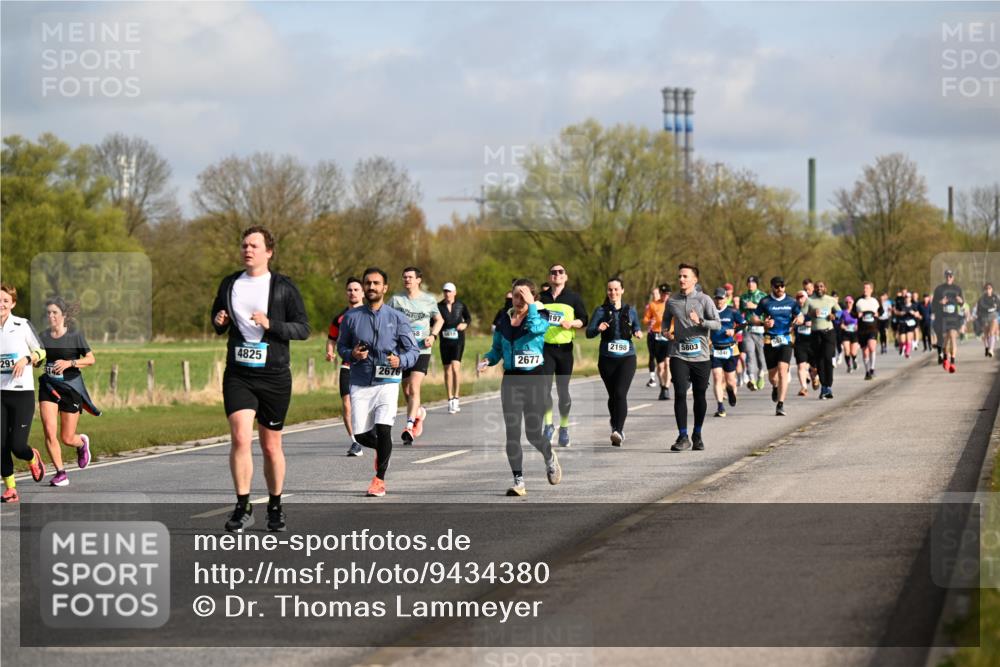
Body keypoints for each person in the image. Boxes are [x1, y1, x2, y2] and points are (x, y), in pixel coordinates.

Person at [212, 226, 311, 532]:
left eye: (254, 245)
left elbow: (303, 329)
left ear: (269, 252)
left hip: (274, 375)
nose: (247, 249)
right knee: (241, 436)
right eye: (244, 245)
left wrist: (272, 324)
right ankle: (242, 506)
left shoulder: (283, 287)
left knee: (271, 446)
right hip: (239, 373)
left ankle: (275, 505)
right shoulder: (230, 283)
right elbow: (218, 317)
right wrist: (219, 320)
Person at [338, 268, 421, 498]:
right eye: (368, 283)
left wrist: (400, 360)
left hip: (388, 381)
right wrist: (352, 354)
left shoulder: (397, 318)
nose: (372, 287)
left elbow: (413, 350)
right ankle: (383, 450)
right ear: (364, 288)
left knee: (384, 430)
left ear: (385, 288)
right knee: (362, 436)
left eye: (376, 283)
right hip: (361, 381)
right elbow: (341, 347)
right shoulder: (351, 318)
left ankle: (379, 480)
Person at [478, 280, 562, 496]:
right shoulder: (504, 321)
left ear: (532, 297)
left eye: (523, 296)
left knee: (533, 434)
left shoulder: (540, 317)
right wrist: (487, 360)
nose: (518, 300)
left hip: (534, 379)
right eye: (516, 295)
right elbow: (496, 349)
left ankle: (549, 456)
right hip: (511, 381)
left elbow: (535, 329)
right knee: (512, 434)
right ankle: (519, 481)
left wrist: (532, 305)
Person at [38, 297, 100, 487]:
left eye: (55, 312)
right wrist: (36, 361)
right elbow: (39, 358)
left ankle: (81, 443)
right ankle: (60, 473)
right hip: (48, 386)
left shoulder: (75, 336)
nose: (51, 316)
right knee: (49, 431)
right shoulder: (43, 336)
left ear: (64, 315)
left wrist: (69, 363)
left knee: (67, 437)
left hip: (70, 388)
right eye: (48, 313)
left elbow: (91, 359)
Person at [662, 264, 720, 451]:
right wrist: (666, 332)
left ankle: (697, 434)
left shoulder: (705, 300)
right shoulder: (672, 301)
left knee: (699, 395)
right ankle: (683, 436)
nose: (681, 279)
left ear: (695, 280)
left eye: (685, 276)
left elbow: (717, 324)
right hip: (679, 353)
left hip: (701, 356)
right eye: (680, 276)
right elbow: (665, 321)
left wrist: (701, 321)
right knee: (680, 392)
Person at [1, 284, 47, 503]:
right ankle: (10, 489)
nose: (1, 305)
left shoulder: (22, 325)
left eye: (5, 301)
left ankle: (31, 457)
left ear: (13, 303)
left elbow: (42, 351)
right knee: (0, 445)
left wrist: (26, 359)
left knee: (17, 446)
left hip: (21, 394)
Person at [389, 267, 443, 443]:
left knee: (413, 386)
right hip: (402, 351)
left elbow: (439, 319)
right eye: (404, 277)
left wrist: (433, 335)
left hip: (421, 350)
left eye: (410, 277)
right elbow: (383, 317)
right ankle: (418, 412)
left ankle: (409, 426)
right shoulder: (396, 300)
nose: (407, 280)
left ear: (418, 280)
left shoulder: (428, 300)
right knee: (405, 389)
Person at [587, 277, 642, 446]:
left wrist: (638, 332)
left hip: (627, 358)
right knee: (612, 396)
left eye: (616, 289)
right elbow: (589, 333)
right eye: (610, 289)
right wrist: (598, 328)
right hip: (606, 359)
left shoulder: (630, 310)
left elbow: (636, 326)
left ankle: (618, 430)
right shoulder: (600, 311)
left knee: (620, 394)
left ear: (622, 291)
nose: (613, 292)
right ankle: (615, 426)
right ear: (607, 292)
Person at [539, 263, 588, 447]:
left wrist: (572, 323)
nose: (557, 275)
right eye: (553, 272)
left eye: (560, 272)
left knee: (563, 392)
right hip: (546, 349)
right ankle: (549, 425)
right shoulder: (541, 298)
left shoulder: (573, 297)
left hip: (565, 350)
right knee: (544, 389)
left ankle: (564, 427)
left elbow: (584, 319)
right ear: (549, 277)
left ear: (565, 277)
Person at [750, 276, 804, 416]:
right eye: (777, 286)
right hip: (770, 340)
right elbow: (754, 318)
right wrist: (763, 323)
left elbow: (801, 316)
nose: (780, 289)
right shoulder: (765, 301)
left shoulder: (791, 301)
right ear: (772, 287)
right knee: (773, 377)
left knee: (782, 370)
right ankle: (775, 387)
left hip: (786, 339)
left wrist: (798, 320)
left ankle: (780, 404)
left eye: (782, 286)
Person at [326, 277, 365, 457]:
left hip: (367, 367)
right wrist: (330, 351)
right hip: (347, 365)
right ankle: (355, 442)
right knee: (347, 405)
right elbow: (332, 338)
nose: (353, 293)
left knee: (366, 405)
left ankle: (370, 434)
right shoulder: (340, 318)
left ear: (363, 292)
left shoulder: (371, 314)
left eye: (356, 289)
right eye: (349, 290)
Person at [438, 282, 473, 414]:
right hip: (445, 341)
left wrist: (464, 324)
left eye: (449, 291)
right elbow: (432, 321)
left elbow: (468, 318)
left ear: (454, 292)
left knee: (455, 368)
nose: (447, 293)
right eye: (445, 291)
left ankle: (457, 398)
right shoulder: (438, 306)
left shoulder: (461, 305)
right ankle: (450, 399)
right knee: (447, 370)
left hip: (458, 340)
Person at [709, 287, 743, 418]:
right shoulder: (709, 312)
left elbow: (744, 324)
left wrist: (734, 331)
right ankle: (720, 406)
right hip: (715, 349)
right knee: (717, 377)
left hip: (730, 349)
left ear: (726, 298)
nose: (719, 301)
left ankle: (730, 391)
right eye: (717, 298)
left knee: (730, 381)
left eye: (721, 298)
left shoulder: (732, 311)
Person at [807, 281, 841, 399]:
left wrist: (834, 316)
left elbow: (840, 312)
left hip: (829, 332)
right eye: (816, 287)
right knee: (819, 361)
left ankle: (829, 386)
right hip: (816, 334)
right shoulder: (809, 300)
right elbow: (802, 314)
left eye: (821, 286)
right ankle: (824, 387)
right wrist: (811, 313)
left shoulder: (831, 299)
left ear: (825, 288)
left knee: (827, 358)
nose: (819, 289)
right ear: (814, 289)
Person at [643, 284, 672, 399]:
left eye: (667, 294)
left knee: (667, 363)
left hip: (669, 336)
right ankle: (662, 386)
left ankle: (666, 389)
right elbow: (645, 319)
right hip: (657, 337)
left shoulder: (673, 305)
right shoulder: (653, 305)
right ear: (660, 293)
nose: (665, 296)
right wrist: (650, 321)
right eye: (663, 294)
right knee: (660, 367)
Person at [739, 276, 768, 391]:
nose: (751, 285)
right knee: (750, 355)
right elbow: (741, 312)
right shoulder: (743, 297)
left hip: (760, 330)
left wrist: (755, 306)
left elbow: (767, 310)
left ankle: (761, 374)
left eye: (753, 283)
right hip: (748, 330)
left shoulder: (763, 296)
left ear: (756, 284)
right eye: (749, 283)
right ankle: (751, 378)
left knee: (761, 356)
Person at [933, 269, 965, 373]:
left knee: (953, 337)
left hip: (953, 318)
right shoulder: (939, 289)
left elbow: (962, 302)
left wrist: (961, 301)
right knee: (945, 340)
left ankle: (953, 362)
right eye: (947, 276)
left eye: (950, 276)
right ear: (945, 276)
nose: (949, 277)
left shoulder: (957, 289)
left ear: (953, 277)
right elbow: (933, 304)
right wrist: (940, 302)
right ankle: (945, 358)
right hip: (943, 318)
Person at [853, 282, 883, 381]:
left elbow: (881, 311)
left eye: (867, 288)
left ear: (871, 290)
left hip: (873, 328)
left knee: (872, 347)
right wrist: (857, 315)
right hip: (862, 330)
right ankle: (867, 372)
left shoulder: (875, 300)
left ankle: (872, 369)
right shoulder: (858, 301)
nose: (865, 290)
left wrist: (878, 313)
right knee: (865, 352)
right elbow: (852, 313)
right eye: (864, 288)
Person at [792, 290, 814, 397]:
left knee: (814, 367)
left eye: (802, 297)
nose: (800, 300)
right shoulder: (794, 311)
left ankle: (815, 377)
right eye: (798, 298)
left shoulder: (812, 309)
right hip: (800, 342)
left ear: (807, 298)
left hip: (812, 341)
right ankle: (804, 388)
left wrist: (812, 323)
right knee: (801, 366)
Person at [642, 286, 663, 387]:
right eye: (653, 294)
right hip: (652, 333)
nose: (655, 296)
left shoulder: (665, 305)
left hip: (663, 334)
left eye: (657, 293)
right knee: (652, 356)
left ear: (660, 294)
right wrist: (649, 321)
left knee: (663, 358)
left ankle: (666, 377)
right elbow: (645, 320)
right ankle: (652, 378)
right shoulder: (649, 306)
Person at [894, 291, 921, 359]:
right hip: (902, 323)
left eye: (908, 297)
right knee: (902, 340)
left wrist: (914, 313)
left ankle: (907, 352)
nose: (907, 298)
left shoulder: (913, 306)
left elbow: (918, 314)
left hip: (910, 324)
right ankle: (902, 347)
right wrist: (900, 313)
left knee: (909, 339)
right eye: (906, 297)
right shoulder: (901, 305)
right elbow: (895, 312)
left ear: (910, 298)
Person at [976, 284, 1000, 357]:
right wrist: (979, 317)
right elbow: (979, 309)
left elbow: (999, 306)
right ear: (985, 290)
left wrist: (997, 309)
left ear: (992, 289)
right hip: (985, 316)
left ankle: (991, 350)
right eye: (987, 288)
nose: (988, 290)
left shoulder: (995, 297)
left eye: (989, 288)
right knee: (986, 334)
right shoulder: (982, 299)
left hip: (993, 315)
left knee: (992, 332)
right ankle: (987, 347)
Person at [839, 297, 859, 373]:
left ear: (853, 303)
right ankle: (849, 366)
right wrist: (844, 326)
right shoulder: (843, 312)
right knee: (847, 351)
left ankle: (854, 360)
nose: (848, 304)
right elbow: (841, 324)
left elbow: (859, 322)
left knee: (853, 352)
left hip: (854, 333)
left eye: (850, 302)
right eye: (846, 302)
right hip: (846, 334)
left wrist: (857, 327)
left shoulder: (856, 312)